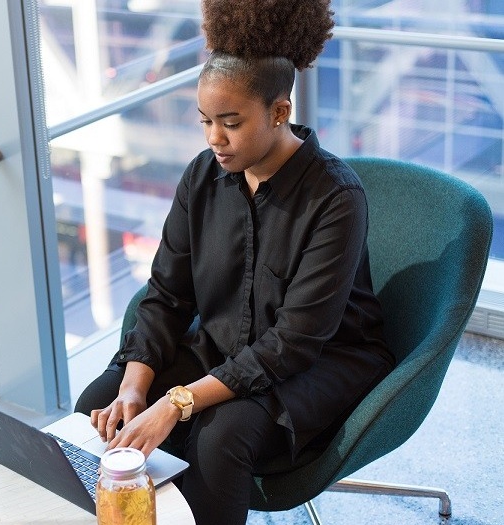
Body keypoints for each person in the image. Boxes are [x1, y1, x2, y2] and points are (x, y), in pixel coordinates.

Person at [73, 1, 397, 524]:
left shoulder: (337, 198)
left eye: (230, 123)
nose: (213, 139)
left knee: (219, 437)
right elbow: (167, 295)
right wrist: (134, 387)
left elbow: (293, 343)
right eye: (205, 121)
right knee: (99, 403)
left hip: (321, 359)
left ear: (279, 112)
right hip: (225, 343)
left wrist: (175, 403)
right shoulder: (202, 177)